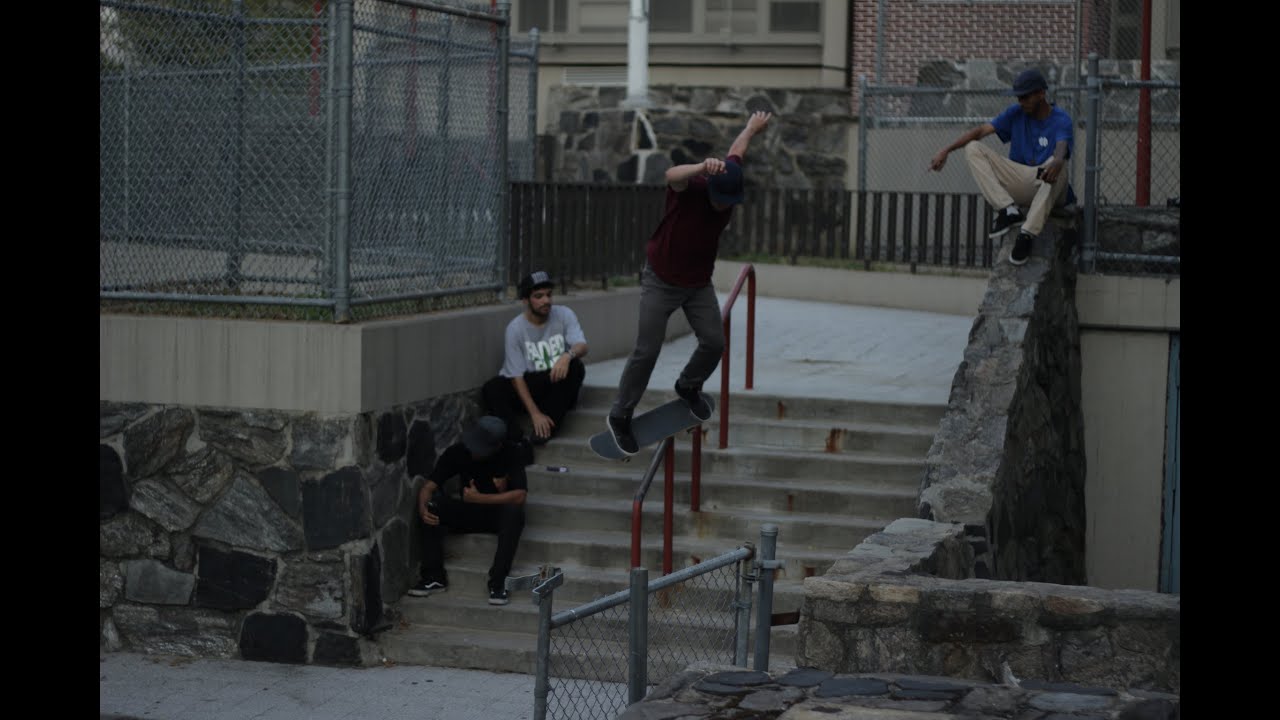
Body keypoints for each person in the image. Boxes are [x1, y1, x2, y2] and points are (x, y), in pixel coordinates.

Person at [605, 110, 773, 456]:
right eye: (718, 199)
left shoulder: (730, 178)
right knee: (647, 350)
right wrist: (699, 168)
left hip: (697, 283)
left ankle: (687, 385)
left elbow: (737, 150)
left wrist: (750, 128)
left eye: (727, 203)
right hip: (661, 279)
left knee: (714, 342)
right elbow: (671, 174)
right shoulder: (693, 187)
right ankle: (621, 414)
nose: (721, 206)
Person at [928, 68, 1075, 266]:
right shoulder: (1016, 113)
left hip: (1049, 185)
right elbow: (981, 131)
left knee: (1057, 164)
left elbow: (1061, 147)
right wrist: (946, 150)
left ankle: (1026, 235)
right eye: (1018, 98)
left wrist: (1057, 161)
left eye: (1025, 97)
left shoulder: (1061, 119)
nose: (1020, 102)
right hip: (1023, 180)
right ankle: (1008, 210)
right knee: (973, 148)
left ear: (1041, 94)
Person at [408, 415, 527, 606]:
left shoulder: (512, 453)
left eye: (479, 448)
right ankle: (434, 577)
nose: (474, 451)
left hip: (495, 515)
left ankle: (498, 583)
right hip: (468, 512)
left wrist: (481, 498)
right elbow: (428, 488)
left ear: (497, 446)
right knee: (432, 506)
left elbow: (520, 495)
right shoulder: (458, 451)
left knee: (514, 513)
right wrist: (422, 508)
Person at [482, 270, 588, 449]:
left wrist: (567, 356)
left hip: (555, 385)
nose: (546, 301)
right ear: (525, 300)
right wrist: (535, 414)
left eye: (548, 295)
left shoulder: (564, 314)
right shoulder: (515, 329)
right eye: (538, 296)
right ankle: (515, 437)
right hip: (530, 385)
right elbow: (516, 377)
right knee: (492, 388)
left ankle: (546, 430)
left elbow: (582, 346)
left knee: (576, 367)